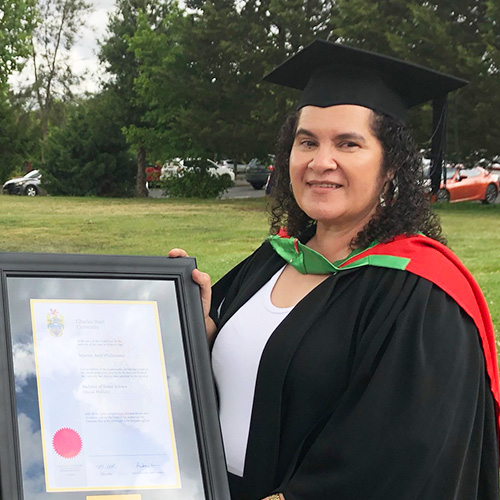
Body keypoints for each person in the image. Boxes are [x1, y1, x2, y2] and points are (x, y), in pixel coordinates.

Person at [170, 40, 500, 500]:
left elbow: (399, 461)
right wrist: (196, 328)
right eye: (307, 141)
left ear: (390, 168)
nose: (320, 161)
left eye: (348, 143)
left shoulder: (420, 296)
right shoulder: (274, 258)